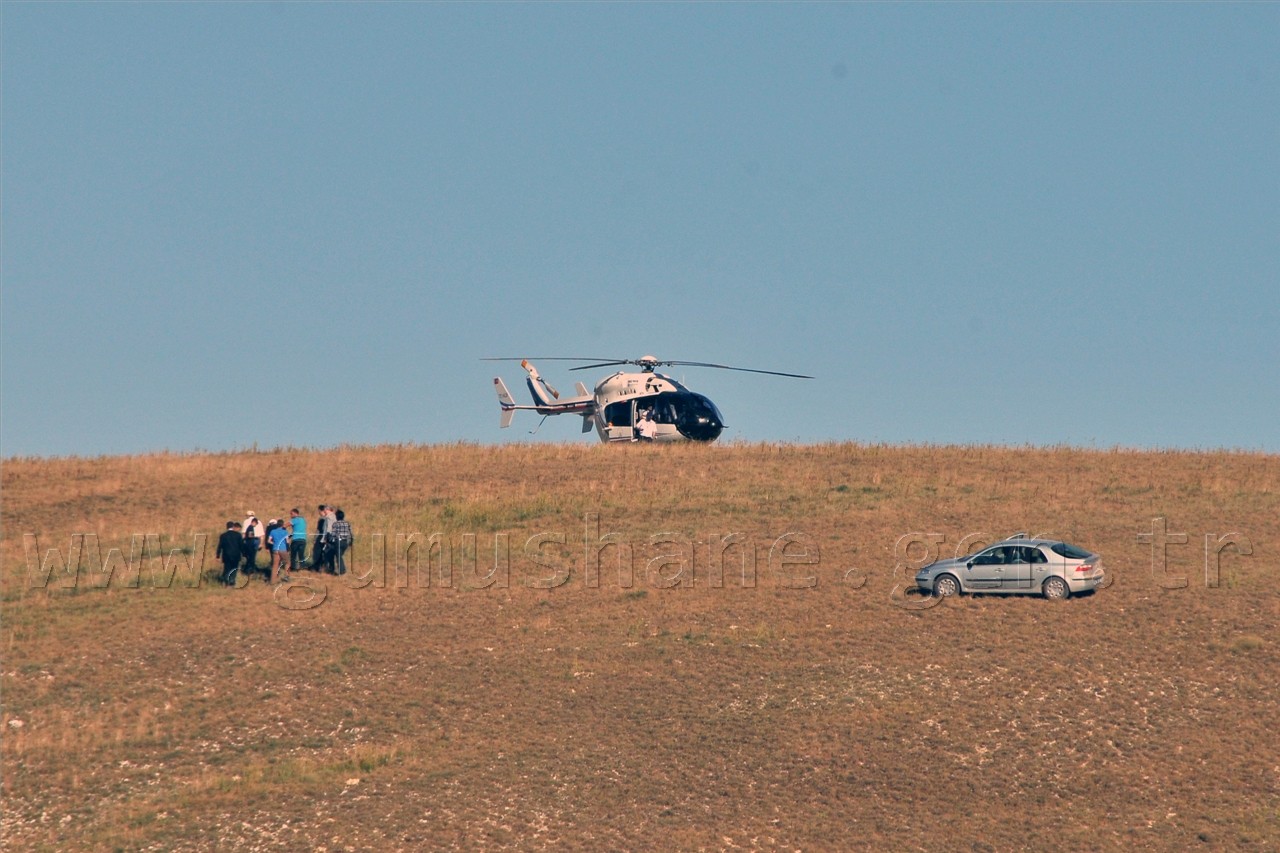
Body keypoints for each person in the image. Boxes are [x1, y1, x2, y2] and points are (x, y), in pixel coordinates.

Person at [216, 522, 243, 587]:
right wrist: (244, 554)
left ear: (226, 527)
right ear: (233, 526)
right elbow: (241, 546)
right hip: (236, 555)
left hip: (226, 555)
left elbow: (220, 546)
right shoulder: (238, 535)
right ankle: (232, 581)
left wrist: (218, 555)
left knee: (227, 568)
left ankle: (225, 581)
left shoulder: (223, 535)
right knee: (234, 568)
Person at [330, 509, 353, 575]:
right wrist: (351, 542)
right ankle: (342, 570)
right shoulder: (347, 523)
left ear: (336, 517)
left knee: (338, 557)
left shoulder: (336, 524)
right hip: (345, 542)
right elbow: (351, 533)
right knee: (340, 556)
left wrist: (330, 541)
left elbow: (333, 534)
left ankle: (342, 571)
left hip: (338, 541)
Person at [267, 520, 291, 584]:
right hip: (283, 549)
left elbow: (269, 541)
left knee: (275, 565)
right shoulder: (285, 531)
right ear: (282, 525)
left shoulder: (272, 531)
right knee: (287, 563)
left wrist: (274, 543)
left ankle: (272, 581)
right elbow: (287, 541)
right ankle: (286, 577)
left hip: (275, 549)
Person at [288, 508, 308, 572]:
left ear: (296, 513)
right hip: (303, 539)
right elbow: (297, 530)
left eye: (291, 514)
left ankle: (293, 568)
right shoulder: (303, 520)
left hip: (296, 540)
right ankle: (302, 567)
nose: (290, 515)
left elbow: (285, 525)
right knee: (301, 555)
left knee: (293, 555)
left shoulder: (294, 520)